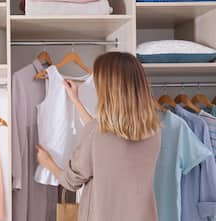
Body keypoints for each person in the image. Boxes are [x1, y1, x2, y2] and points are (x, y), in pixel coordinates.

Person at [36, 52, 161, 221]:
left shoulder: (96, 134)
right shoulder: (153, 130)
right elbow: (103, 135)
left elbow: (71, 181)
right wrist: (76, 101)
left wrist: (47, 163)